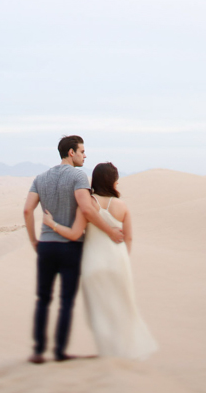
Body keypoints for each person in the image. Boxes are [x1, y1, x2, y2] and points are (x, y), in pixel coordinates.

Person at [42, 161, 157, 360]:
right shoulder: (122, 206)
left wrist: (52, 224)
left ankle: (108, 354)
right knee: (123, 309)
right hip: (118, 263)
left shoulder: (88, 205)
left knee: (99, 314)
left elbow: (74, 233)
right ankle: (123, 355)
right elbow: (128, 238)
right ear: (113, 181)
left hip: (93, 265)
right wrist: (123, 259)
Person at [23, 136, 124, 363]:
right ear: (71, 153)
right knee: (66, 301)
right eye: (82, 151)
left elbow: (27, 211)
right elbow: (87, 209)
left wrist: (34, 241)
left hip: (46, 246)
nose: (85, 156)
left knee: (43, 299)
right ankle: (59, 352)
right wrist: (109, 231)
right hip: (70, 247)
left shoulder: (40, 178)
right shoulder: (78, 176)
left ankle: (38, 351)